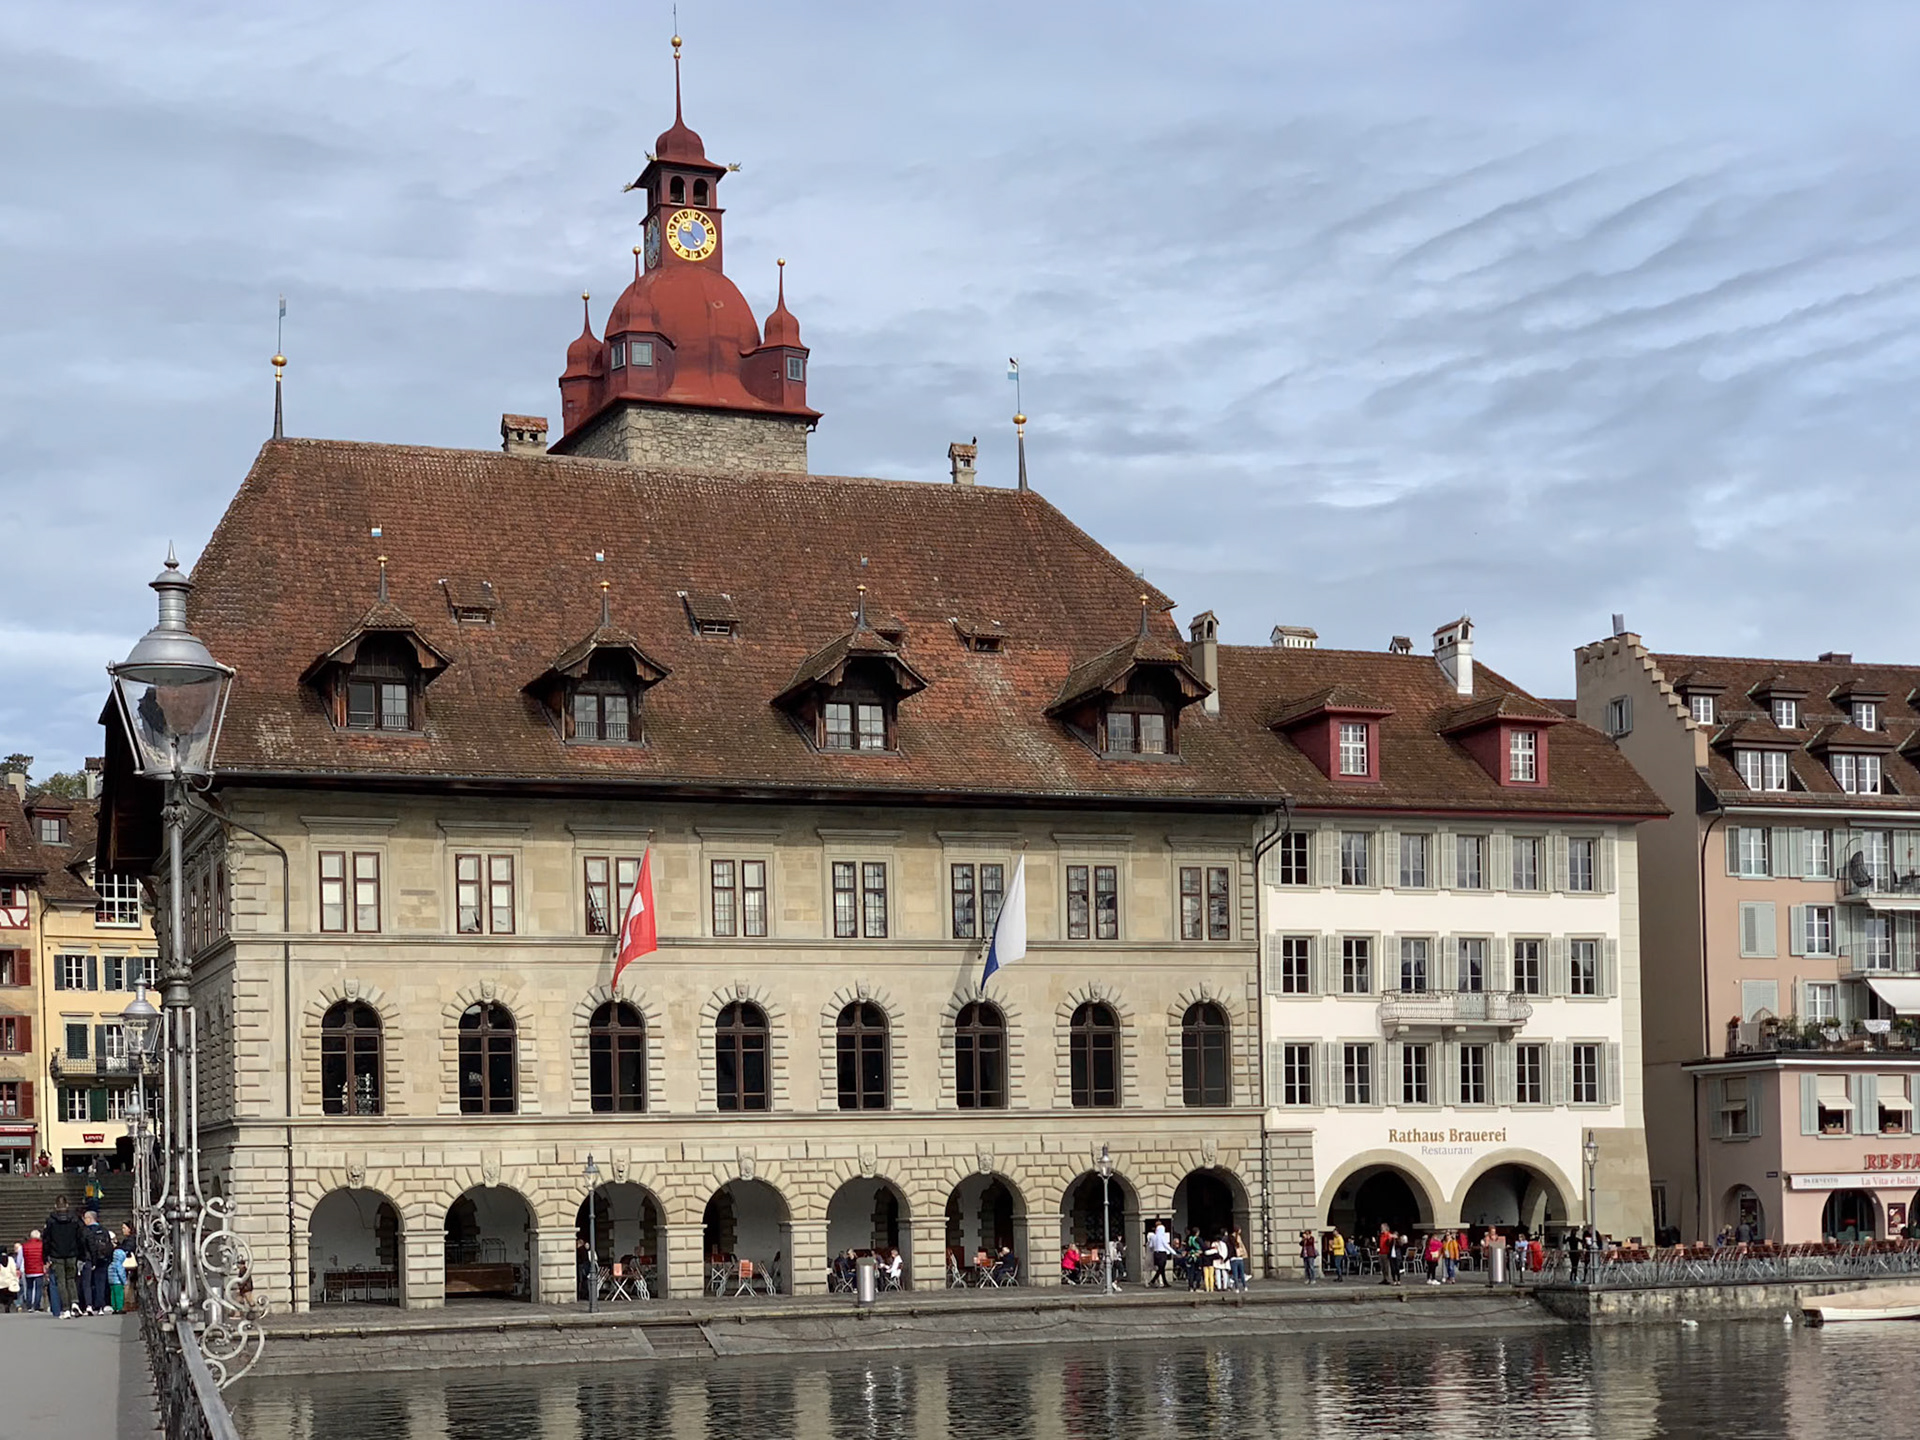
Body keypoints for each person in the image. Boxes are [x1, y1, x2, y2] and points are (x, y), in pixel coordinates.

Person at [43, 1197, 85, 1319]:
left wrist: (45, 1256)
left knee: (61, 1281)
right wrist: (81, 1254)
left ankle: (66, 1308)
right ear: (67, 1205)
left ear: (56, 1206)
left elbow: (46, 1240)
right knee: (71, 1279)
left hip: (56, 1254)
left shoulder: (51, 1221)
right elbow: (80, 1238)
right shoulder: (74, 1219)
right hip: (72, 1253)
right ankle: (75, 1302)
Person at [81, 1210, 114, 1315]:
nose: (84, 1220)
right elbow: (109, 1245)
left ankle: (89, 1305)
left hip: (89, 1259)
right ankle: (101, 1306)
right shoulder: (104, 1230)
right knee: (100, 1283)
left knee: (87, 1284)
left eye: (85, 1218)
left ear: (90, 1219)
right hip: (103, 1259)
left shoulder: (85, 1231)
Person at [21, 1230, 44, 1314]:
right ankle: (37, 1306)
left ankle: (29, 1306)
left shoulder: (25, 1246)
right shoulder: (41, 1245)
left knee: (29, 1288)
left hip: (28, 1269)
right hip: (39, 1269)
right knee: (38, 1288)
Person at [1147, 1221, 1173, 1287]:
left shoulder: (1153, 1237)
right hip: (1162, 1253)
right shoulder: (1162, 1237)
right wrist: (1174, 1252)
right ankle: (1152, 1281)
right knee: (1161, 1268)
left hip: (1156, 1253)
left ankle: (1165, 1282)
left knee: (1161, 1269)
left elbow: (1150, 1246)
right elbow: (1166, 1245)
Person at [108, 1244, 128, 1314]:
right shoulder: (119, 1265)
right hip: (118, 1282)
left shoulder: (111, 1264)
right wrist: (124, 1281)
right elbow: (121, 1274)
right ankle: (119, 1308)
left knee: (113, 1296)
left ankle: (114, 1308)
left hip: (112, 1282)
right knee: (119, 1295)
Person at [0, 1247, 16, 1313]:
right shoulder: (10, 1259)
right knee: (10, 1295)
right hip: (9, 1280)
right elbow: (13, 1270)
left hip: (0, 1281)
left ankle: (2, 1304)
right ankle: (8, 1305)